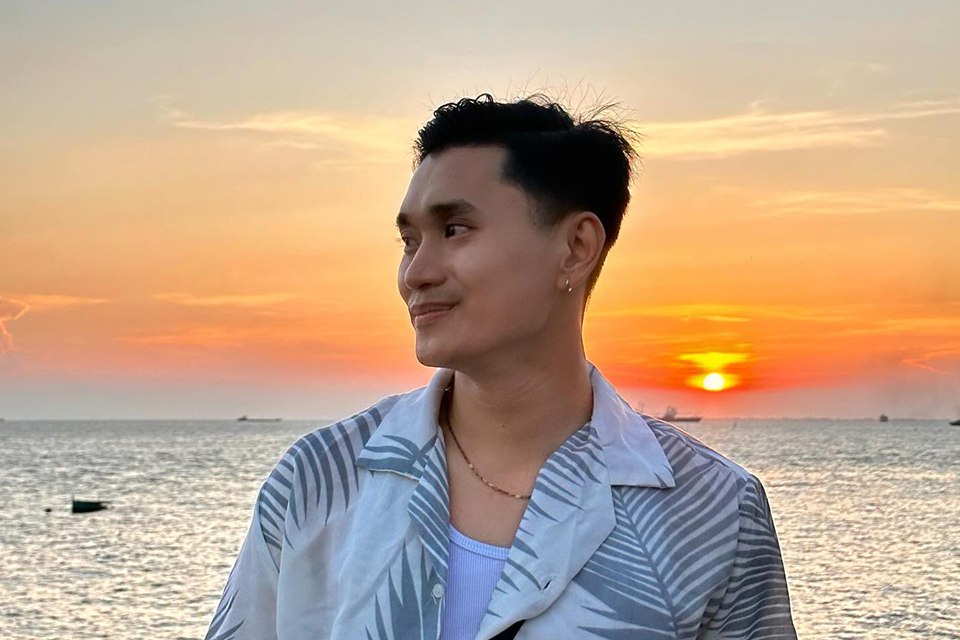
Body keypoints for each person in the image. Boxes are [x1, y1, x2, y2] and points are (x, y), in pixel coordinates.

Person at [206, 94, 796, 640]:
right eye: (410, 241)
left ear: (576, 248)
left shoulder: (715, 511)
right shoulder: (318, 481)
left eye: (454, 230)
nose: (416, 273)